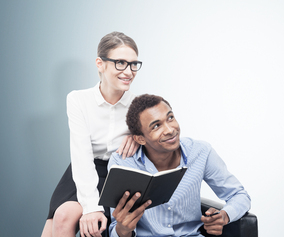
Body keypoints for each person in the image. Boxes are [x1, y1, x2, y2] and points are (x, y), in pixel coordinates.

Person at [41, 32, 143, 237]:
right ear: (100, 63)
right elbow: (81, 154)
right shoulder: (78, 100)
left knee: (86, 226)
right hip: (83, 169)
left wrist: (139, 138)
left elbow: (160, 142)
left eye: (133, 64)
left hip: (117, 174)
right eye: (121, 63)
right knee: (61, 217)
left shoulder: (139, 105)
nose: (129, 71)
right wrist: (90, 207)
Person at [108, 94, 251, 237]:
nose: (170, 130)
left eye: (170, 118)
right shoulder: (122, 163)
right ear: (140, 139)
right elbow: (116, 229)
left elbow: (239, 195)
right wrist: (123, 230)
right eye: (156, 126)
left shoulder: (201, 151)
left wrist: (224, 216)